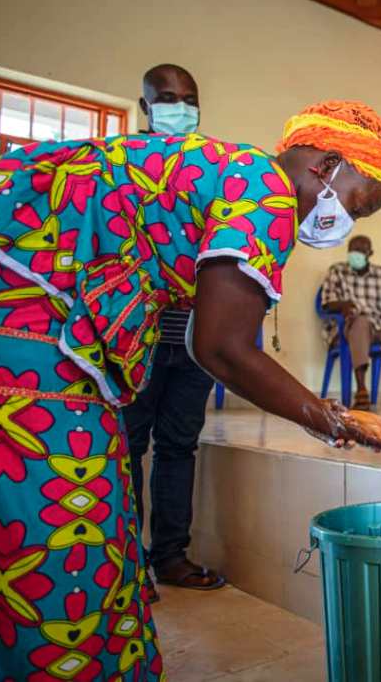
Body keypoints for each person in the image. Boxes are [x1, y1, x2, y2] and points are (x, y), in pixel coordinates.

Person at [0, 100, 381, 681]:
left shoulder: (234, 174)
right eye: (358, 204)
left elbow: (198, 339)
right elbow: (221, 347)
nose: (350, 222)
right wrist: (335, 419)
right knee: (65, 526)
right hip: (24, 322)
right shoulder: (264, 191)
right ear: (327, 165)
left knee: (105, 495)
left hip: (38, 315)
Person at [121, 63, 221, 605]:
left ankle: (171, 556)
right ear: (144, 108)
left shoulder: (214, 168)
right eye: (166, 97)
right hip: (135, 335)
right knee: (130, 445)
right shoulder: (121, 167)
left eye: (188, 97)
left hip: (194, 336)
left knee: (180, 446)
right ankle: (129, 566)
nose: (179, 106)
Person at [321, 235, 381, 410]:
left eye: (360, 251)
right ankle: (361, 391)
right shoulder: (337, 271)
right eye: (352, 250)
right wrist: (344, 305)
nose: (355, 255)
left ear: (370, 253)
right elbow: (327, 303)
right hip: (352, 326)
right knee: (360, 323)